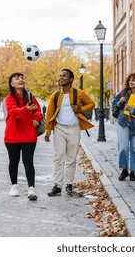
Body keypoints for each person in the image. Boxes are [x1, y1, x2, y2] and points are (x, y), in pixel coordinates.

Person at [44, 68, 95, 196]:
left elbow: (92, 104)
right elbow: (49, 113)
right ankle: (57, 185)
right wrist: (48, 131)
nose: (61, 77)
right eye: (60, 75)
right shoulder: (55, 95)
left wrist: (81, 108)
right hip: (59, 129)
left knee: (71, 159)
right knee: (58, 157)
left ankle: (69, 185)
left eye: (64, 76)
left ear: (71, 79)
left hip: (74, 129)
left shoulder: (79, 93)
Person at [4, 72, 44, 200]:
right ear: (12, 83)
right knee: (14, 161)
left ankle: (31, 189)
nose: (21, 80)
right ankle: (14, 186)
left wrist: (37, 118)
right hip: (12, 134)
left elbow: (38, 111)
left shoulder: (31, 96)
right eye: (17, 78)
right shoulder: (9, 98)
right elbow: (13, 111)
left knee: (28, 161)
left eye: (22, 78)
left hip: (28, 134)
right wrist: (26, 109)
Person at [112, 72, 135, 181]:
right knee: (123, 148)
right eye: (129, 80)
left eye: (133, 80)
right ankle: (124, 170)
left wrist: (132, 109)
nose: (131, 82)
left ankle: (133, 172)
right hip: (123, 123)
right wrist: (120, 102)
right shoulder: (124, 92)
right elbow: (114, 105)